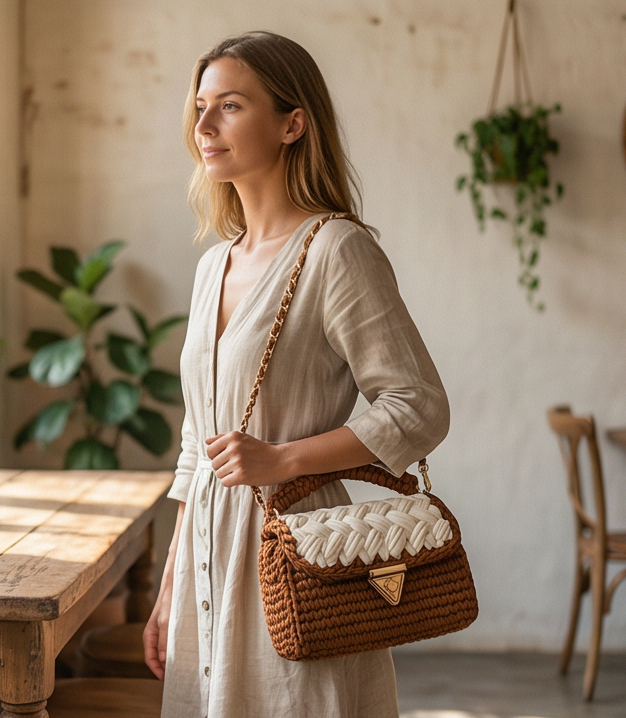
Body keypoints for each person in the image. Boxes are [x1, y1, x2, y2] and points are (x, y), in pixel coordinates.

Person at [143, 31, 450, 718]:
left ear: (292, 123)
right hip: (205, 561)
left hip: (297, 555)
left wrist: (280, 457)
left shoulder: (337, 250)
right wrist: (168, 586)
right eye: (199, 106)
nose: (202, 126)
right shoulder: (211, 267)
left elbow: (419, 406)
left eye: (229, 106)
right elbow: (199, 446)